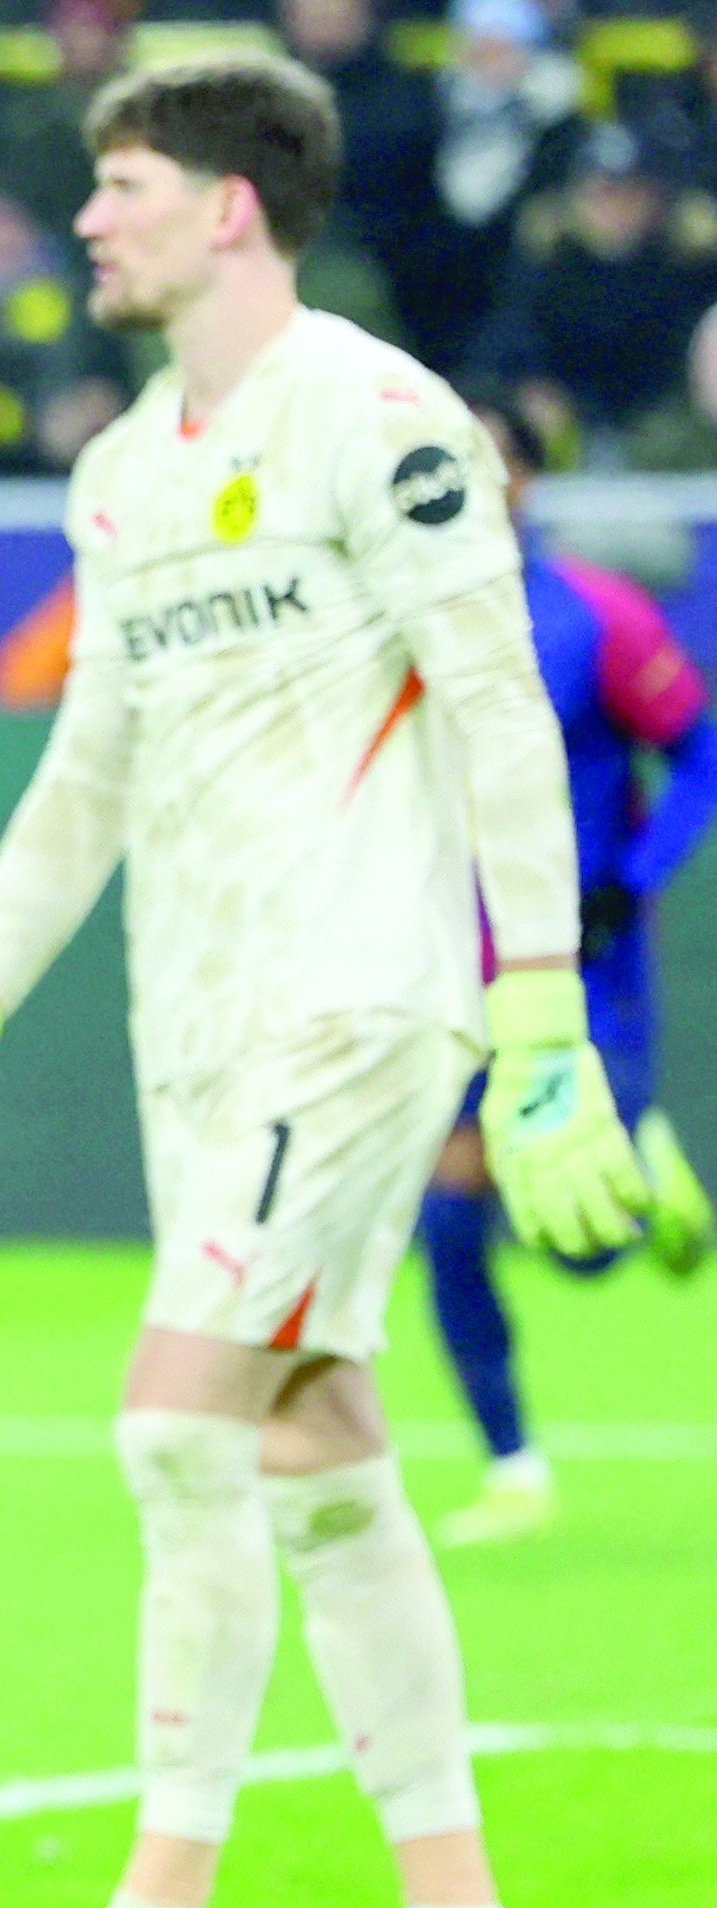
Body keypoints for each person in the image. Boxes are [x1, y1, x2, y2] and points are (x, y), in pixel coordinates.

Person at [0, 53, 646, 1908]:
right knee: (308, 1451)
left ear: (226, 207)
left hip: (354, 1002)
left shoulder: (377, 420)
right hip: (190, 1026)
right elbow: (81, 775)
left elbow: (493, 710)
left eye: (118, 184)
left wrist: (538, 1006)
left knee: (171, 1425)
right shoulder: (121, 473)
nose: (84, 220)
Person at [411, 394, 717, 1545]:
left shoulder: (595, 618)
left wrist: (631, 879)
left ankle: (644, 1176)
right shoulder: (395, 624)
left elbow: (697, 753)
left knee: (578, 1243)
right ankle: (512, 1466)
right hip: (448, 980)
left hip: (578, 971)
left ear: (525, 482)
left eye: (482, 463)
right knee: (446, 1218)